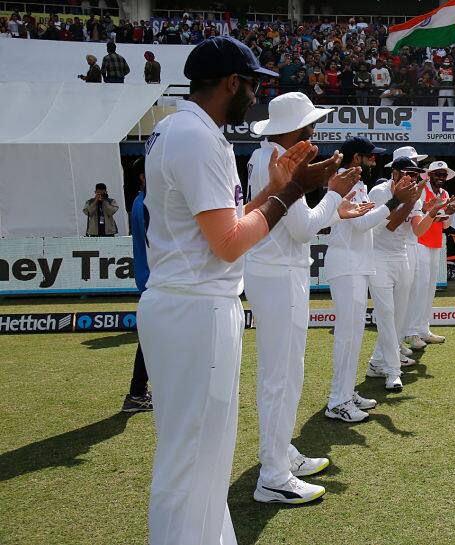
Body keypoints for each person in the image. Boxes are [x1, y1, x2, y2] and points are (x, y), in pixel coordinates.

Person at [138, 36, 323, 545]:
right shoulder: (198, 138)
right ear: (231, 83)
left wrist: (271, 189)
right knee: (195, 460)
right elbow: (227, 243)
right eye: (252, 85)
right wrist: (288, 194)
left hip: (186, 303)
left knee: (199, 458)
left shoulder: (180, 129)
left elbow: (223, 222)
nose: (255, 98)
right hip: (196, 307)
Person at [244, 92, 373, 504]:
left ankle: (279, 455)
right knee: (282, 377)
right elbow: (301, 229)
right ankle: (274, 475)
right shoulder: (281, 163)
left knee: (282, 374)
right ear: (299, 129)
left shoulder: (268, 156)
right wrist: (334, 193)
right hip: (280, 274)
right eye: (311, 125)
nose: (315, 132)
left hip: (277, 272)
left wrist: (335, 206)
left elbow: (300, 224)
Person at [323, 138, 419, 423]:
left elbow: (372, 222)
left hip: (357, 263)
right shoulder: (343, 183)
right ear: (356, 158)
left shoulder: (358, 185)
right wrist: (394, 201)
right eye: (369, 157)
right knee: (347, 336)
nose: (374, 161)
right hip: (346, 263)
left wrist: (394, 204)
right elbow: (363, 223)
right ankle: (337, 401)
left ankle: (346, 392)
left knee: (354, 336)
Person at [366, 157, 448, 391]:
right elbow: (390, 224)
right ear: (394, 173)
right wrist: (404, 201)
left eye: (414, 175)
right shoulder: (379, 192)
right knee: (387, 314)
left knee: (398, 318)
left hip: (401, 257)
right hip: (378, 257)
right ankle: (393, 371)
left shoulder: (414, 196)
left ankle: (376, 363)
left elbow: (419, 229)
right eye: (407, 173)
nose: (411, 179)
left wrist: (431, 213)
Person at [405, 154, 455, 350]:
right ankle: (411, 332)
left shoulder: (445, 194)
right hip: (420, 242)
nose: (440, 176)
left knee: (430, 289)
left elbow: (445, 224)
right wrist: (440, 214)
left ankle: (423, 329)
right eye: (437, 173)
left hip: (436, 243)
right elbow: (419, 217)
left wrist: (450, 212)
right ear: (428, 175)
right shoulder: (422, 191)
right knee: (419, 288)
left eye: (443, 174)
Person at [122, 158, 151, 413]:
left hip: (149, 279)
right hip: (154, 280)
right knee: (151, 340)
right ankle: (137, 392)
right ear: (142, 176)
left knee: (151, 339)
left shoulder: (139, 202)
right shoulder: (145, 204)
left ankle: (138, 392)